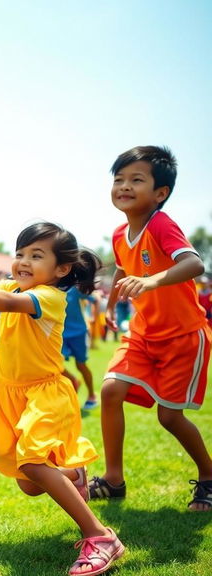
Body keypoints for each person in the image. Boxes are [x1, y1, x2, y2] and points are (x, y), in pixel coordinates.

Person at [0, 222, 124, 576]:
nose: (23, 261)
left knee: (31, 463)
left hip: (44, 394)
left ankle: (100, 536)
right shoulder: (13, 284)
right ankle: (72, 473)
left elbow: (6, 301)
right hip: (10, 395)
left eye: (35, 255)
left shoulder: (48, 297)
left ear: (61, 269)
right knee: (29, 483)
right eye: (19, 254)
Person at [88, 146, 212, 511]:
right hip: (142, 333)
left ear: (160, 193)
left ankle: (208, 475)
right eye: (119, 179)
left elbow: (194, 264)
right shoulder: (118, 234)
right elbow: (124, 270)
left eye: (136, 180)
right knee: (111, 390)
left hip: (183, 336)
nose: (124, 186)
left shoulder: (161, 223)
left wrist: (154, 280)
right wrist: (111, 304)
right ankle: (113, 480)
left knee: (169, 416)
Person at [60, 286, 99, 410]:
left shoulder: (74, 289)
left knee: (81, 365)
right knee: (55, 365)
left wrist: (94, 317)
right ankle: (73, 380)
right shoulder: (50, 287)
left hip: (78, 333)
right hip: (59, 333)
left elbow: (95, 299)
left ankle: (92, 395)